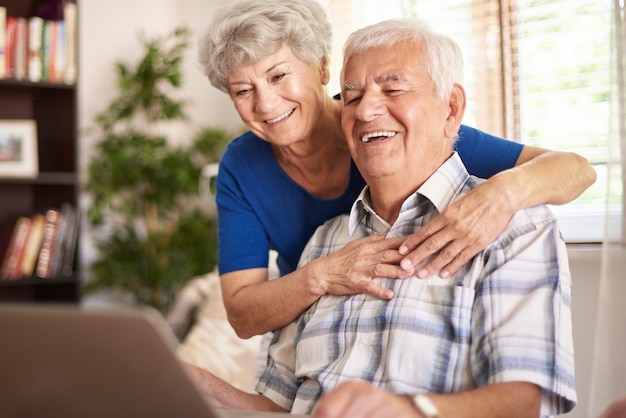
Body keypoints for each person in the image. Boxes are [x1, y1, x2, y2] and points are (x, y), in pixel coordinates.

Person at [190, 18, 576, 418]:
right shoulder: (321, 243)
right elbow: (277, 404)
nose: (368, 109)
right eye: (353, 96)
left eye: (392, 89)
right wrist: (202, 388)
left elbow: (526, 403)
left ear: (451, 109)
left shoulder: (515, 227)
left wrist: (503, 195)